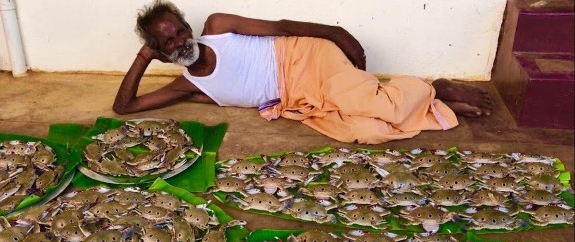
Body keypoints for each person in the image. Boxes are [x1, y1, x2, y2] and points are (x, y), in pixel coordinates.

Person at [113, 0, 492, 144]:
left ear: (187, 25)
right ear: (161, 53)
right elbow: (124, 107)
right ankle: (433, 106)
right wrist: (143, 57)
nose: (180, 41)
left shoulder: (218, 25)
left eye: (179, 30)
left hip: (308, 59)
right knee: (366, 131)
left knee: (376, 105)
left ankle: (432, 88)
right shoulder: (188, 85)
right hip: (301, 99)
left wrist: (336, 32)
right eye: (167, 43)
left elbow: (281, 26)